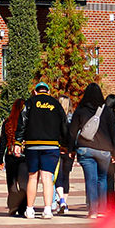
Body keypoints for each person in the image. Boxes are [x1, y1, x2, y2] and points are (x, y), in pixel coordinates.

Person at [15, 81, 69, 219]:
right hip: (51, 145)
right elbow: (64, 125)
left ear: (35, 92)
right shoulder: (56, 104)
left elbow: (22, 122)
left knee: (32, 177)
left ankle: (30, 209)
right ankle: (47, 210)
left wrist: (18, 141)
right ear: (48, 92)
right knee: (47, 178)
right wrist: (65, 144)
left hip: (32, 145)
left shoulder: (30, 103)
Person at [70, 83, 115, 218]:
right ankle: (102, 210)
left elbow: (72, 132)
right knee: (102, 179)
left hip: (85, 149)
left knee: (90, 179)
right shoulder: (106, 111)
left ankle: (93, 211)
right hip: (104, 150)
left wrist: (70, 149)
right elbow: (113, 133)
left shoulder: (80, 109)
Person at [0, 98, 29, 216]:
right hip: (24, 156)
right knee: (24, 183)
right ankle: (23, 207)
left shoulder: (7, 123)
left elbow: (2, 143)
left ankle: (13, 205)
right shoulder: (28, 123)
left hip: (10, 155)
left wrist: (0, 160)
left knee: (12, 182)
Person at [54, 94, 75, 214]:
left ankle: (61, 199)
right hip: (69, 150)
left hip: (57, 148)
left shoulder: (55, 118)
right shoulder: (72, 118)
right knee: (66, 176)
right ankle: (65, 203)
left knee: (58, 176)